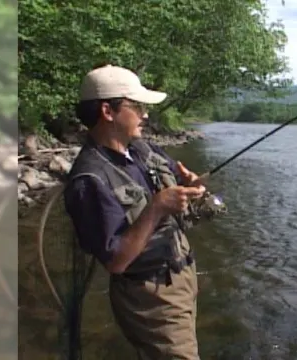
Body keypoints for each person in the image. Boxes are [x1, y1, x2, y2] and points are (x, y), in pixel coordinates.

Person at [63, 64, 205, 359]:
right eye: (137, 106)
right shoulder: (89, 180)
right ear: (107, 111)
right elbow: (116, 262)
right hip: (150, 297)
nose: (146, 114)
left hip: (182, 277)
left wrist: (191, 187)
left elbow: (176, 189)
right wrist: (157, 207)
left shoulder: (142, 149)